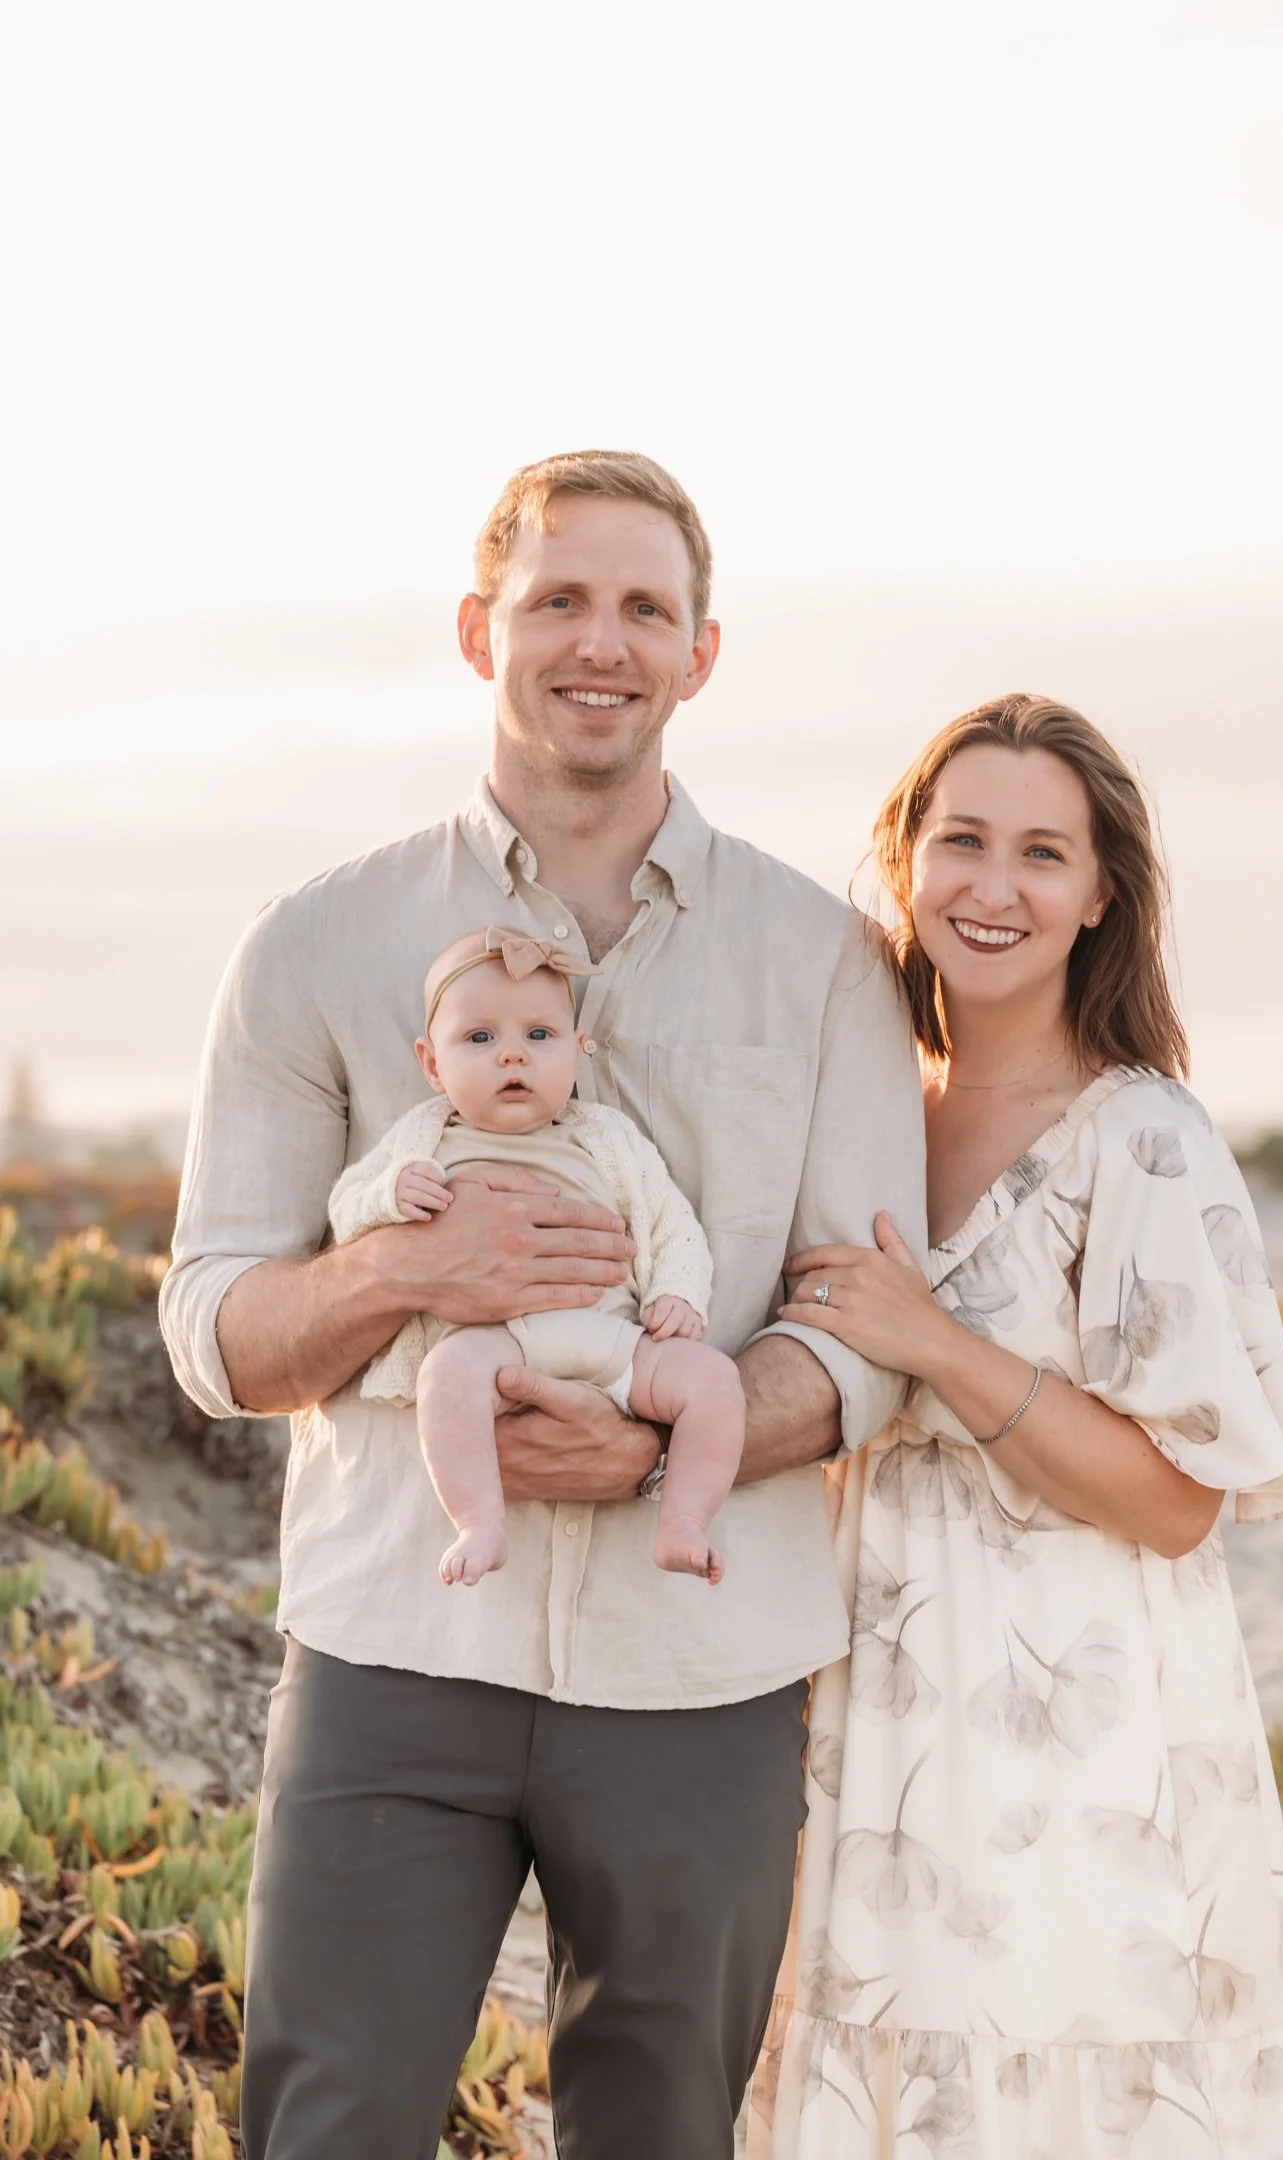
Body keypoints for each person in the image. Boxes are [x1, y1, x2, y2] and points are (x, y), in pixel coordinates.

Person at [159, 448, 927, 2160]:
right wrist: (401, 1270)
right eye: (558, 599)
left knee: (662, 2135)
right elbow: (210, 1330)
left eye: (645, 607)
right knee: (328, 2126)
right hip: (392, 1652)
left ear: (701, 653)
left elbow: (864, 1338)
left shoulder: (824, 965)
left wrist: (654, 1459)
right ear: (476, 630)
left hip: (705, 1671)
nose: (603, 641)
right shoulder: (314, 946)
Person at [748, 695, 1283, 2158]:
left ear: (1099, 895)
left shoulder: (1144, 1136)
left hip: (1078, 1736)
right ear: (904, 861)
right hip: (870, 1709)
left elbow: (1177, 1504)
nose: (994, 886)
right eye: (960, 840)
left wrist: (936, 1346)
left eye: (1041, 853)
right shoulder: (861, 1111)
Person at [329, 923, 742, 1587]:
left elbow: (673, 1225)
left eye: (539, 1036)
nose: (512, 1057)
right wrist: (391, 1194)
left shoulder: (607, 1139)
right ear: (432, 1064)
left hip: (617, 1343)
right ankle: (478, 1521)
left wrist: (677, 1293)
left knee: (714, 1381)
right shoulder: (425, 1141)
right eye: (480, 1038)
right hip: (501, 1346)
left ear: (576, 1053)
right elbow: (347, 1208)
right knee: (446, 1377)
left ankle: (685, 1518)